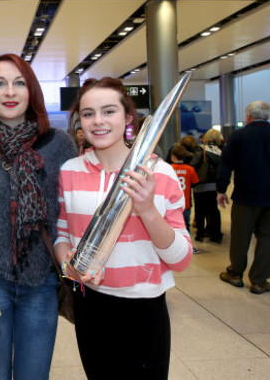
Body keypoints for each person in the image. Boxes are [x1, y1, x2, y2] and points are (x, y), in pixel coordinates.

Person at [54, 77, 192, 380]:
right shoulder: (70, 171)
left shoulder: (160, 172)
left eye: (109, 111)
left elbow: (181, 259)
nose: (98, 121)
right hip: (90, 305)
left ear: (128, 117)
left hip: (145, 307)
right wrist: (68, 264)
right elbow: (62, 233)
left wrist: (147, 210)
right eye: (88, 113)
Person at [0, 54, 76, 379]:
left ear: (31, 90)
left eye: (18, 83)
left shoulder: (59, 144)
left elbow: (71, 208)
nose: (9, 92)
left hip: (40, 283)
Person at [217, 101, 270, 294]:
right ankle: (260, 280)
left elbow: (226, 164)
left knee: (241, 236)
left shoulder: (239, 136)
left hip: (245, 197)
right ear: (268, 116)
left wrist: (221, 190)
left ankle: (235, 273)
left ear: (248, 116)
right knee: (268, 238)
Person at [190, 128, 224, 243]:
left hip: (201, 186)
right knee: (214, 210)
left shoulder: (202, 149)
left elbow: (193, 165)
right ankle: (216, 235)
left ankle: (200, 235)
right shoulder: (220, 151)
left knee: (200, 211)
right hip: (215, 186)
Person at [170, 143, 200, 254]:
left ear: (173, 156)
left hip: (172, 204)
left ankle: (173, 248)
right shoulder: (190, 169)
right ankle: (188, 247)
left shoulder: (169, 168)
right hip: (186, 203)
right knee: (185, 227)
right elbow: (195, 183)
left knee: (172, 226)